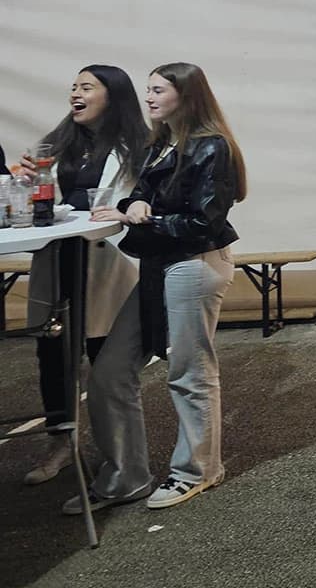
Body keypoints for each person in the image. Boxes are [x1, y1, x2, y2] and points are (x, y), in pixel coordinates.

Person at [67, 62, 247, 514]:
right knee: (109, 371)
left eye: (157, 90)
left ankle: (198, 470)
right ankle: (126, 476)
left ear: (185, 96)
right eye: (147, 90)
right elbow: (138, 197)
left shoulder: (212, 147)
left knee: (189, 370)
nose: (148, 98)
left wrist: (140, 215)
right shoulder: (161, 144)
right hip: (158, 262)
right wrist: (135, 203)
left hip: (195, 261)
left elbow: (205, 220)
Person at [20, 65, 147, 485]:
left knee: (104, 360)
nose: (75, 93)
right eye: (73, 86)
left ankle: (119, 457)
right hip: (57, 258)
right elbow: (41, 201)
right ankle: (61, 444)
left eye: (86, 87)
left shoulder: (138, 146)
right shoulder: (58, 143)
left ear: (112, 96)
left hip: (102, 263)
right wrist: (27, 181)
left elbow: (138, 199)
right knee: (53, 358)